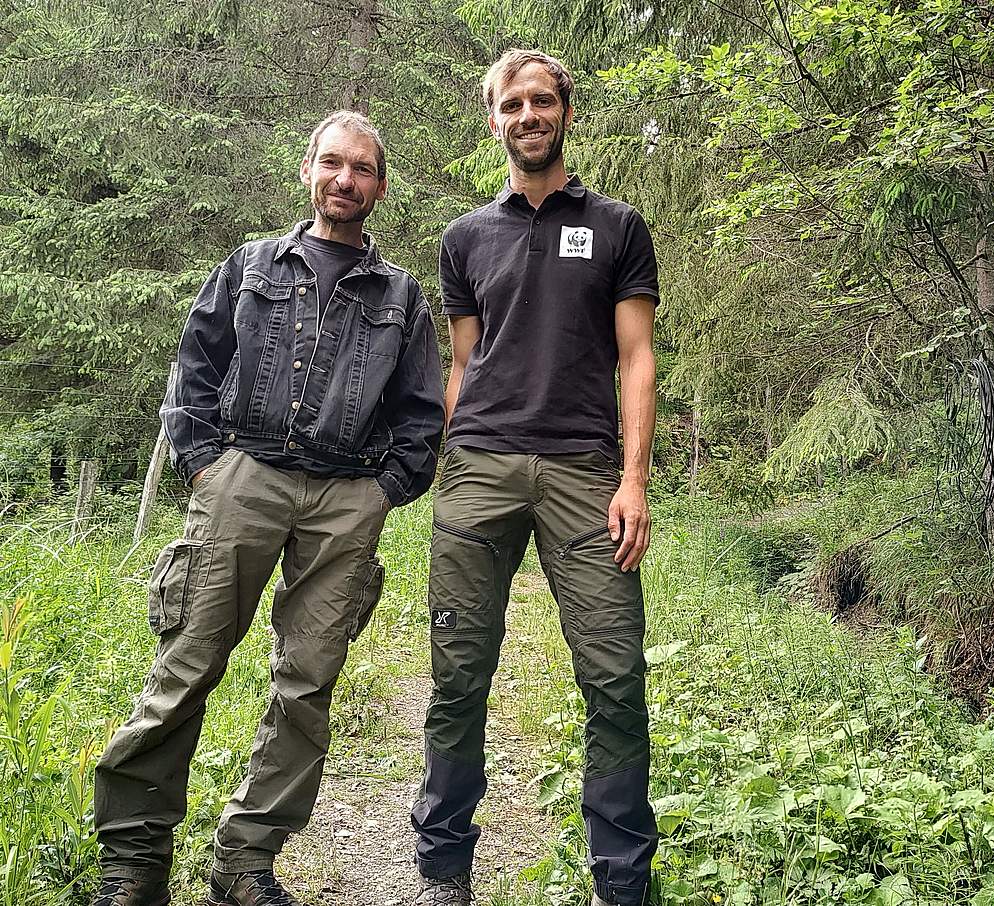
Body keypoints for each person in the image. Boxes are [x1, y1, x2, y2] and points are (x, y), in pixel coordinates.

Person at [92, 111, 445, 906]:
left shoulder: (399, 295)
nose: (345, 179)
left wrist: (383, 492)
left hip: (344, 496)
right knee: (185, 667)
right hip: (242, 477)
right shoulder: (251, 265)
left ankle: (246, 860)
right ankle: (133, 862)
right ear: (308, 171)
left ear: (380, 187)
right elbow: (196, 365)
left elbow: (423, 413)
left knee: (307, 685)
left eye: (361, 168)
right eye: (332, 163)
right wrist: (205, 468)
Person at [411, 49, 659, 906]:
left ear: (565, 112)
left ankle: (621, 884)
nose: (527, 115)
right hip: (478, 467)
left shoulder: (619, 225)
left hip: (586, 473)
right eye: (511, 104)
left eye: (541, 101)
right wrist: (443, 460)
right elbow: (464, 364)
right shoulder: (464, 239)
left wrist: (633, 479)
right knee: (457, 676)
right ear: (495, 121)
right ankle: (444, 870)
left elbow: (636, 358)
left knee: (615, 676)